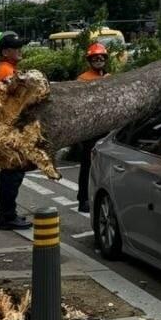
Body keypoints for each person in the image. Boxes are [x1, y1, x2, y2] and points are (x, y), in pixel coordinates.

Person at [0, 32, 31, 231]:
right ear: (6, 51)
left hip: (8, 127)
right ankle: (6, 216)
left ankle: (7, 214)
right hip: (9, 129)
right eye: (16, 47)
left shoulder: (8, 68)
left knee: (12, 172)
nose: (19, 50)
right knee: (12, 173)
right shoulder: (6, 72)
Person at [75, 42, 108, 212]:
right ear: (90, 60)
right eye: (95, 57)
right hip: (90, 129)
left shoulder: (109, 77)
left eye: (101, 57)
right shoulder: (83, 79)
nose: (99, 59)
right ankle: (83, 199)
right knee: (87, 164)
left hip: (106, 127)